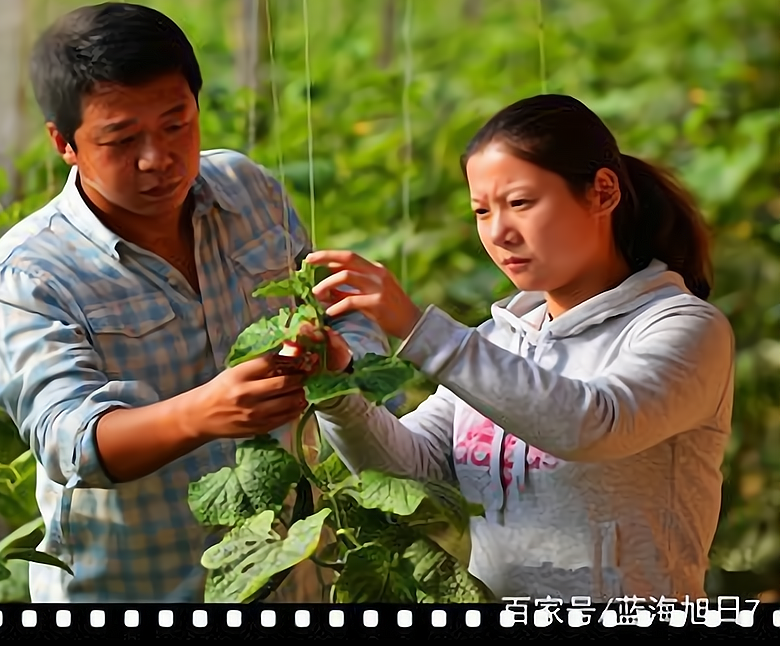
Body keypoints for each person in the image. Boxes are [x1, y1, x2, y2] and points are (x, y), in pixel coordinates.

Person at [0, 2, 392, 603]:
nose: (157, 158)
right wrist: (204, 412)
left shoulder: (248, 191)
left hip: (293, 571)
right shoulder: (24, 277)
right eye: (121, 139)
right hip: (137, 586)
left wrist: (342, 359)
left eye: (176, 125)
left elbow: (330, 303)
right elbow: (68, 441)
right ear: (64, 142)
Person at [298, 94, 735, 602]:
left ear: (603, 192)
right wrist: (336, 392)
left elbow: (593, 424)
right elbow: (414, 478)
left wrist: (420, 329)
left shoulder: (682, 327)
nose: (499, 232)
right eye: (482, 211)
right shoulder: (499, 340)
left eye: (521, 203)